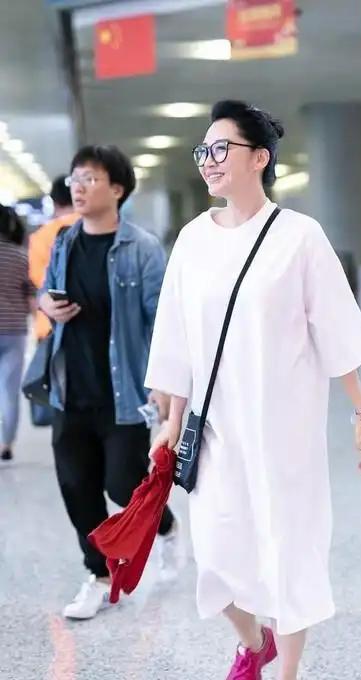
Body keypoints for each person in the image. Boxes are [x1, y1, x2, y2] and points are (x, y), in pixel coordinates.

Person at [146, 100, 361, 680]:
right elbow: (174, 337)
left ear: (260, 158)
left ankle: (287, 672)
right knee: (216, 553)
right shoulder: (192, 240)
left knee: (288, 550)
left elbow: (335, 325)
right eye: (203, 151)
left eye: (221, 148)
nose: (208, 160)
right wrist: (172, 421)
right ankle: (254, 643)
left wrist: (360, 411)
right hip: (214, 428)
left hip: (284, 429)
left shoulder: (300, 237)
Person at [39, 145, 184, 620]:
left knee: (123, 485)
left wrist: (164, 383)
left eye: (90, 179)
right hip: (69, 389)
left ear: (117, 189)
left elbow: (161, 319)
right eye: (74, 179)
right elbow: (45, 291)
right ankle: (99, 576)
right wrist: (46, 305)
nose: (78, 188)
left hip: (123, 394)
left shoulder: (141, 247)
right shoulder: (64, 241)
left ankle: (165, 527)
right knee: (76, 486)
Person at [0, 206, 36, 462]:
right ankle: (6, 443)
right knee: (9, 390)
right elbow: (31, 296)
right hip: (14, 331)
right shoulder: (20, 256)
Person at [29, 175, 79, 342]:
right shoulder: (94, 229)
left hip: (50, 324)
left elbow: (37, 278)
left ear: (54, 202)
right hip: (93, 324)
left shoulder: (41, 236)